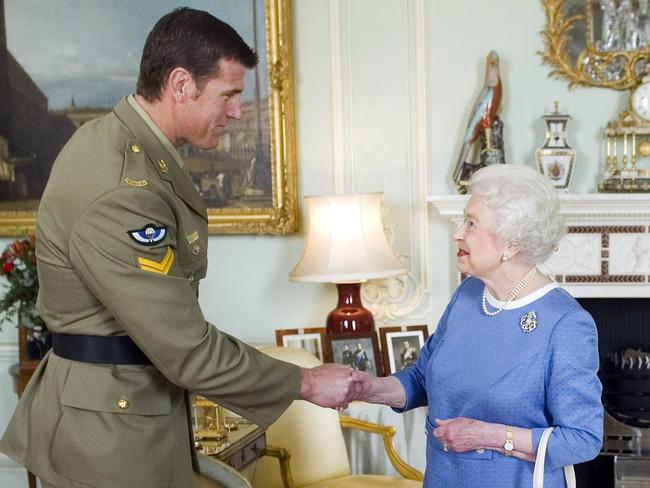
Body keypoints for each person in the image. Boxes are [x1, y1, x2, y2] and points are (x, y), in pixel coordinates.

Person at [0, 9, 354, 488]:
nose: (236, 111)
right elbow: (186, 347)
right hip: (109, 438)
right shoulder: (122, 186)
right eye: (229, 94)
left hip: (126, 411)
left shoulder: (131, 148)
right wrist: (306, 382)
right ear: (181, 84)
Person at [352, 164, 603, 487]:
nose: (458, 232)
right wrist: (370, 388)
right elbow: (422, 377)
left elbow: (583, 438)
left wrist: (489, 436)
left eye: (471, 223)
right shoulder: (469, 294)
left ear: (511, 243)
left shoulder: (566, 323)